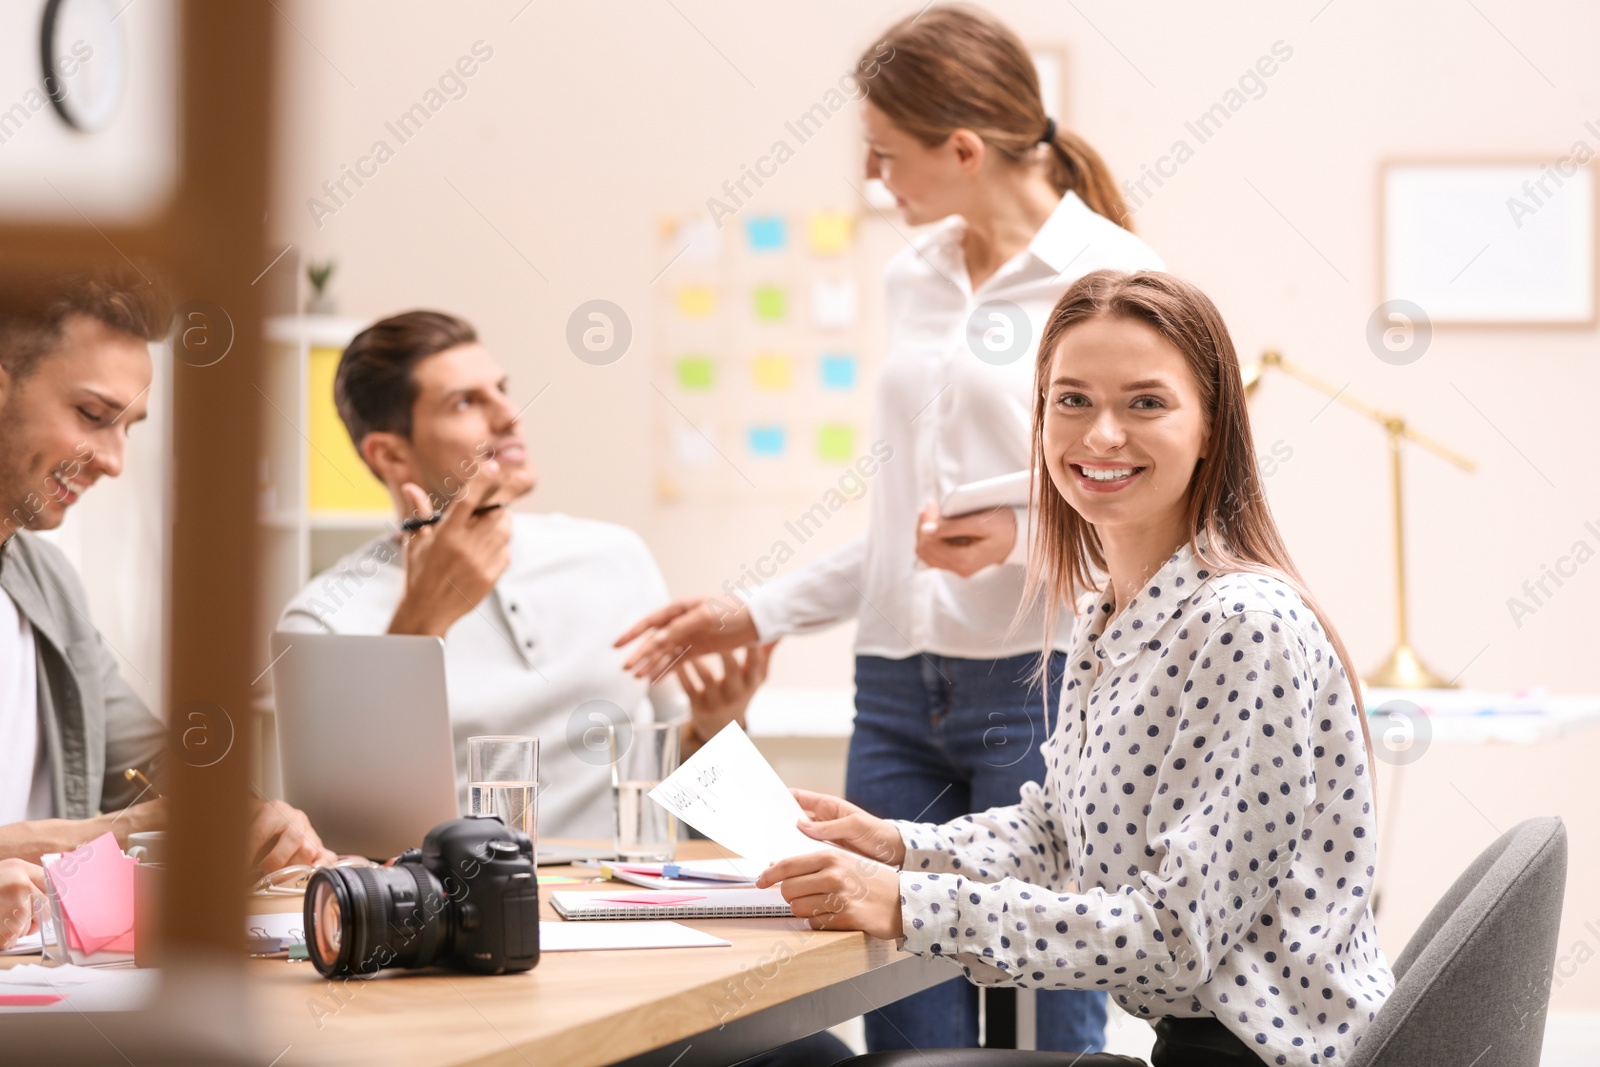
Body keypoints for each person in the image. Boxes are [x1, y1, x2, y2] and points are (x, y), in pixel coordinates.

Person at [617, 5, 1159, 1053]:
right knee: (898, 1017)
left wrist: (1023, 535)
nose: (873, 177)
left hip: (1036, 681)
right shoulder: (914, 278)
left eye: (884, 152)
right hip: (898, 691)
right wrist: (749, 606)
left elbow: (1156, 512)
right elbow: (900, 529)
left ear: (960, 149)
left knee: (1047, 1014)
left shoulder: (1113, 278)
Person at [756, 270, 1391, 1067]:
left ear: (1211, 428)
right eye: (1073, 400)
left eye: (1146, 403)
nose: (1101, 435)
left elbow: (1171, 937)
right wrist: (895, 846)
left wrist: (909, 902)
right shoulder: (1112, 614)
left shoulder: (1242, 625)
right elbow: (1059, 835)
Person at [278, 311, 769, 840]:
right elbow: (344, 838)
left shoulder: (614, 557)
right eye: (465, 402)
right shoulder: (323, 618)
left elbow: (687, 793)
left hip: (621, 905)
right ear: (391, 454)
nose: (510, 416)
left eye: (502, 390)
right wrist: (421, 622)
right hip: (452, 911)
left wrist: (720, 725)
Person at [0, 267, 333, 873]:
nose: (113, 461)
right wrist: (93, 836)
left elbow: (146, 764)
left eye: (129, 427)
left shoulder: (44, 583)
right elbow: (121, 819)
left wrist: (250, 819)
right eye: (93, 414)